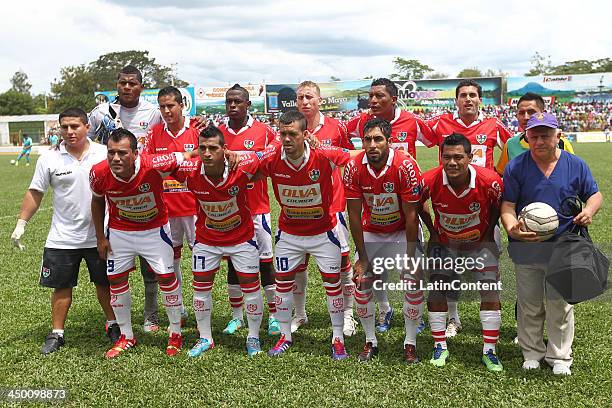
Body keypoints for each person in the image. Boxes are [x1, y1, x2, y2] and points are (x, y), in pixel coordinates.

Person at [500, 112, 603, 375]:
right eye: (534, 135)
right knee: (529, 302)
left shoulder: (575, 164)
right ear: (527, 137)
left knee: (560, 304)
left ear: (558, 136)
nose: (540, 140)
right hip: (526, 247)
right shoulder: (516, 167)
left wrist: (589, 211)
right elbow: (508, 206)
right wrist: (512, 226)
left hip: (565, 246)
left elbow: (594, 194)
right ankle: (532, 352)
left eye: (546, 135)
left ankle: (559, 356)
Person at [10, 108, 118, 354]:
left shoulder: (104, 154)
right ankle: (57, 333)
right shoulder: (49, 158)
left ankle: (114, 325)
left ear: (87, 127)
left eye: (75, 126)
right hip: (62, 237)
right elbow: (35, 192)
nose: (69, 131)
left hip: (99, 236)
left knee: (105, 284)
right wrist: (21, 224)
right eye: (65, 127)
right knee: (61, 287)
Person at [90, 129, 191, 358]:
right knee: (116, 281)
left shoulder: (154, 163)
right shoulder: (98, 173)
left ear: (135, 154)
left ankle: (175, 333)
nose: (116, 158)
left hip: (154, 231)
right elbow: (96, 202)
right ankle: (126, 335)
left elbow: (184, 156)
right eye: (111, 152)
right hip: (120, 232)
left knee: (166, 278)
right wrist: (100, 237)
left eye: (122, 153)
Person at [258, 110, 351, 359]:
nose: (286, 139)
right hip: (289, 235)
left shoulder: (324, 155)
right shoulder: (272, 158)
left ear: (305, 135)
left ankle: (338, 337)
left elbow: (353, 156)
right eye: (283, 134)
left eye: (292, 134)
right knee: (282, 286)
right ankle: (285, 335)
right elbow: (249, 163)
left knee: (333, 286)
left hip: (324, 234)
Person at [345, 77, 435, 333]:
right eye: (370, 96)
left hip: (405, 197)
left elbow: (438, 140)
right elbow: (339, 137)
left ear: (393, 99)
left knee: (412, 273)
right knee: (370, 274)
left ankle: (415, 316)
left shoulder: (413, 122)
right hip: (374, 210)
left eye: (379, 96)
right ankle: (385, 311)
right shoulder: (360, 123)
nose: (373, 100)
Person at [426, 79, 512, 338]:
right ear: (456, 100)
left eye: (473, 95)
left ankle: (490, 319)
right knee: (447, 268)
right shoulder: (440, 123)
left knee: (486, 268)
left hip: (483, 206)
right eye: (463, 95)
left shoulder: (494, 125)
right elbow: (408, 136)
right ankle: (453, 319)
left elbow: (515, 147)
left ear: (480, 100)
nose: (468, 99)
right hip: (450, 201)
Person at [175, 125, 265, 357]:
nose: (207, 153)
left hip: (242, 238)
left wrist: (242, 153)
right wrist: (186, 155)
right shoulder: (189, 171)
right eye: (202, 148)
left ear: (224, 150)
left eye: (213, 148)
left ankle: (253, 336)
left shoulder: (241, 166)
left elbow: (268, 153)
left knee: (251, 290)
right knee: (200, 290)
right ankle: (205, 337)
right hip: (207, 239)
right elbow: (153, 162)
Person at [88, 65, 164, 333]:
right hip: (113, 188)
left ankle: (151, 315)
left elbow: (161, 142)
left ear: (141, 86)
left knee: (150, 262)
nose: (127, 87)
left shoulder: (153, 113)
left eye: (132, 83)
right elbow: (87, 141)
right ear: (116, 85)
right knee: (117, 261)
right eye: (122, 83)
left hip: (143, 186)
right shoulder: (101, 113)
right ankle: (120, 320)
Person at [420, 133, 504, 371]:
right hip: (446, 242)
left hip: (480, 242)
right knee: (437, 290)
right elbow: (416, 203)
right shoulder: (430, 180)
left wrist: (489, 234)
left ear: (470, 157)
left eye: (458, 157)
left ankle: (490, 350)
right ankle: (440, 345)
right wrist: (433, 232)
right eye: (446, 157)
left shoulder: (490, 180)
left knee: (489, 291)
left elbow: (500, 204)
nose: (452, 162)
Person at [343, 118, 424, 363]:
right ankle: (370, 341)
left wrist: (410, 258)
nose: (372, 145)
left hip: (402, 230)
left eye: (378, 139)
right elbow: (354, 216)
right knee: (362, 281)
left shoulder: (405, 165)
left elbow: (412, 217)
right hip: (372, 230)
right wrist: (363, 258)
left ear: (389, 141)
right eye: (367, 140)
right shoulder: (354, 167)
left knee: (412, 281)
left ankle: (410, 343)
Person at [292, 80, 357, 337]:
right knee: (298, 263)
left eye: (309, 97)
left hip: (333, 205)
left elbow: (349, 157)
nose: (304, 102)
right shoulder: (289, 126)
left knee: (342, 262)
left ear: (319, 100)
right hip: (299, 206)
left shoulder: (335, 127)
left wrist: (323, 147)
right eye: (300, 98)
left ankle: (348, 314)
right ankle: (300, 314)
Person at [217, 84, 280, 337]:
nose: (233, 106)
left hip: (258, 209)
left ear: (248, 105)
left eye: (238, 102)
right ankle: (236, 317)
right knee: (233, 262)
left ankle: (274, 315)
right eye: (229, 102)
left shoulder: (264, 132)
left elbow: (275, 152)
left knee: (265, 262)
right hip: (231, 211)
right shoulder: (218, 133)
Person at [143, 86, 200, 325]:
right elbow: (147, 161)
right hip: (166, 208)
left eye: (171, 106)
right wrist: (180, 158)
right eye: (162, 107)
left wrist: (186, 156)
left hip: (196, 207)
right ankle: (181, 307)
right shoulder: (155, 133)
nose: (166, 111)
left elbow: (209, 153)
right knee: (171, 259)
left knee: (201, 259)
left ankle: (201, 307)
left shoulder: (198, 129)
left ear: (181, 106)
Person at [496, 93, 574, 174]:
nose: (526, 117)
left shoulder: (561, 143)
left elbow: (573, 172)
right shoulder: (510, 145)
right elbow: (502, 175)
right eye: (521, 113)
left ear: (543, 113)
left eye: (531, 112)